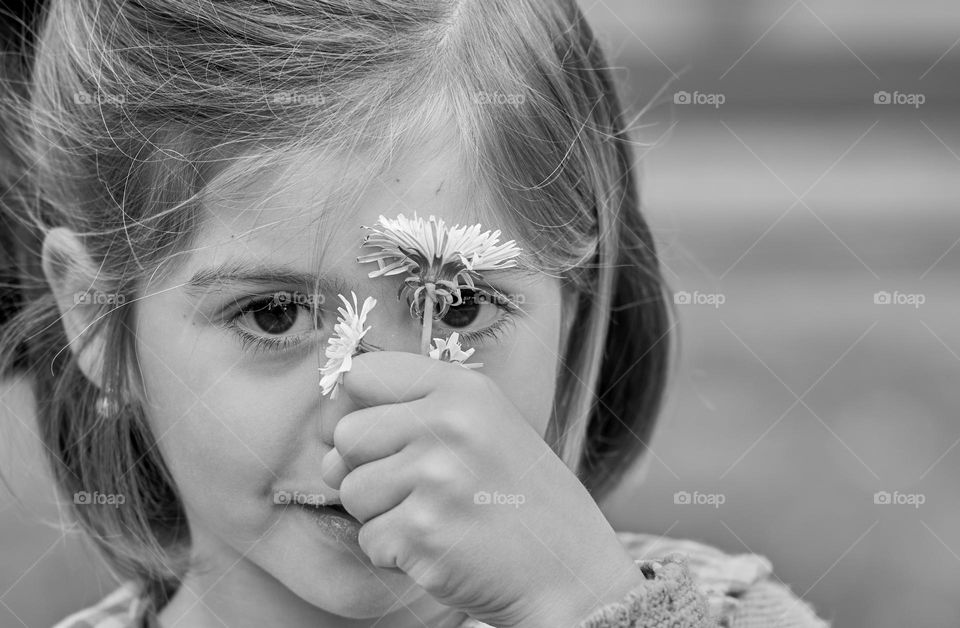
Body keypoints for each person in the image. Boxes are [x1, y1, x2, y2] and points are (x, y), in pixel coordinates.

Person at [0, 1, 830, 626]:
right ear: (93, 313)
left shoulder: (719, 614)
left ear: (577, 312)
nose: (374, 415)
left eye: (460, 307)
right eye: (276, 314)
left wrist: (580, 601)